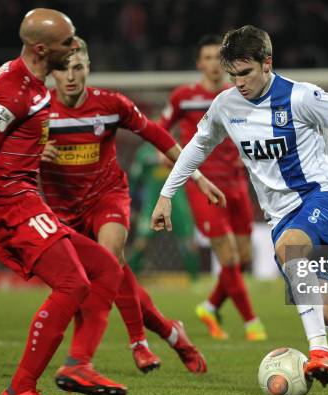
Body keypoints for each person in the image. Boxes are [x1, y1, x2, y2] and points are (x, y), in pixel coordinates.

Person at [151, 25, 328, 395]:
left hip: (324, 199)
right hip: (281, 217)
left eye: (246, 73)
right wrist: (167, 194)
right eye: (233, 75)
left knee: (289, 248)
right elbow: (196, 148)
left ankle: (318, 354)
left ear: (268, 63)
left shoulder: (302, 96)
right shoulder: (225, 105)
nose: (239, 82)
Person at [0, 9, 128, 395]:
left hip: (25, 198)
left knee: (104, 268)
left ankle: (78, 365)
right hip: (11, 204)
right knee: (73, 284)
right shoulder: (15, 91)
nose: (74, 46)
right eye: (68, 42)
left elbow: (7, 143)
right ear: (42, 49)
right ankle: (19, 390)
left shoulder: (29, 81)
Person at [40, 37, 215, 375]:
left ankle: (138, 343)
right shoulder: (38, 112)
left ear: (89, 68)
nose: (71, 76)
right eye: (63, 69)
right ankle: (171, 332)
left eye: (78, 67)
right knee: (89, 285)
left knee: (109, 260)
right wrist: (33, 153)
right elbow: (5, 154)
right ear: (52, 73)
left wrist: (198, 177)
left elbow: (158, 136)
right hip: (64, 211)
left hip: (107, 197)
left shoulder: (110, 104)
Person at [159, 35, 267, 341]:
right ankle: (251, 322)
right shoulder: (184, 97)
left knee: (244, 257)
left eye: (216, 58)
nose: (212, 64)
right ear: (199, 63)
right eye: (206, 58)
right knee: (229, 256)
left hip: (236, 183)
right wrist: (164, 151)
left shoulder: (237, 94)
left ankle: (209, 306)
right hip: (202, 183)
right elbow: (160, 128)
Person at [128, 144, 200, 281]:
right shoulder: (144, 153)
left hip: (178, 204)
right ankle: (131, 278)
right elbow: (134, 179)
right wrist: (130, 203)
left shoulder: (177, 149)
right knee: (142, 241)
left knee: (188, 242)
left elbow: (193, 173)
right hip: (152, 204)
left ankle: (194, 280)